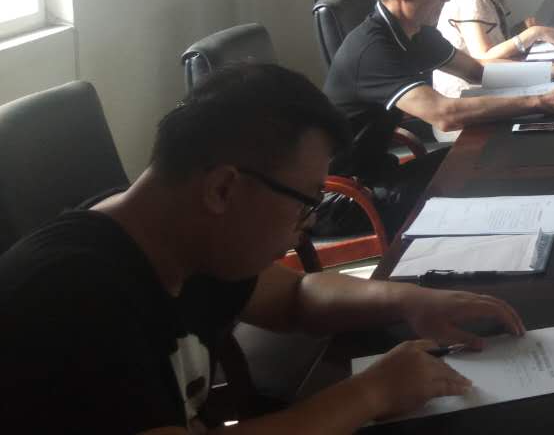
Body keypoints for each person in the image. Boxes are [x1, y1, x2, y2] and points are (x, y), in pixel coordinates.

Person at [0, 63, 525, 434]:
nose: (306, 226)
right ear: (223, 189)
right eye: (305, 203)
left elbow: (295, 296)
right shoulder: (72, 299)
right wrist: (370, 393)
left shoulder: (176, 230)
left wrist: (410, 300)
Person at [323, 0, 554, 227]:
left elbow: (478, 71)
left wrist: (551, 72)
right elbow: (444, 115)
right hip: (346, 198)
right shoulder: (372, 49)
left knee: (498, 154)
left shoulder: (415, 31)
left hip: (380, 173)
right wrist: (540, 102)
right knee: (493, 173)